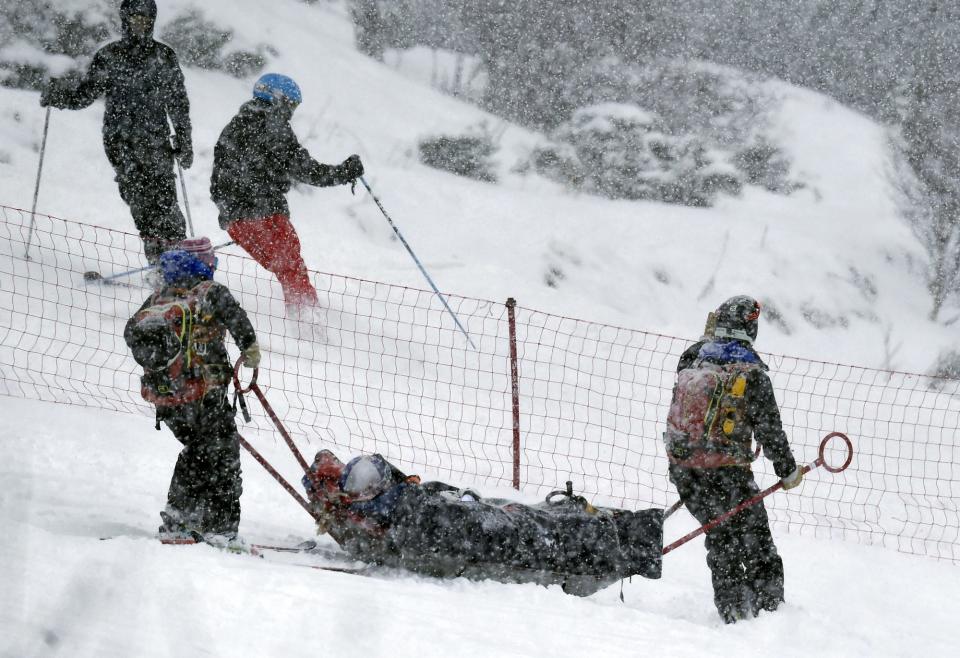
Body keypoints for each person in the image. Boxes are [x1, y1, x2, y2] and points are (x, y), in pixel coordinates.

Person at [301, 450, 664, 595]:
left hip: (462, 517)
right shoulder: (401, 517)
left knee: (531, 521)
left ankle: (618, 534)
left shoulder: (397, 510)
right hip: (470, 526)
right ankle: (618, 536)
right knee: (535, 529)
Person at [664, 295, 803, 623]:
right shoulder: (751, 371)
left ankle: (732, 611)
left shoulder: (694, 360)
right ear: (750, 327)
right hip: (727, 472)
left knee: (721, 537)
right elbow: (770, 430)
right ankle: (769, 613)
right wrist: (788, 471)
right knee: (756, 540)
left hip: (684, 469)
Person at [123, 237, 261, 544]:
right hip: (204, 393)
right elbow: (238, 320)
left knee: (198, 451)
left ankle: (184, 519)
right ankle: (218, 528)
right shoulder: (211, 292)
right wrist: (250, 350)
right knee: (222, 457)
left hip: (168, 397)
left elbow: (131, 331)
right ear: (206, 263)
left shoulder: (160, 296)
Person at [40, 0, 192, 266]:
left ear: (153, 21)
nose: (140, 23)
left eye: (145, 19)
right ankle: (160, 263)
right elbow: (84, 96)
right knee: (142, 204)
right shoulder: (109, 56)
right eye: (134, 18)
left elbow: (178, 101)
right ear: (124, 19)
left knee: (165, 203)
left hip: (155, 141)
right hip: (120, 143)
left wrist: (184, 138)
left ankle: (176, 262)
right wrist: (59, 97)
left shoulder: (164, 56)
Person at [210, 73, 364, 322]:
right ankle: (307, 322)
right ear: (278, 99)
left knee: (285, 268)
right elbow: (305, 169)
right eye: (290, 105)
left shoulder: (235, 125)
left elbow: (218, 180)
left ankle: (302, 319)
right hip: (264, 214)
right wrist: (343, 173)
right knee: (292, 268)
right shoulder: (273, 126)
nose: (291, 112)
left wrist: (233, 213)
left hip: (234, 219)